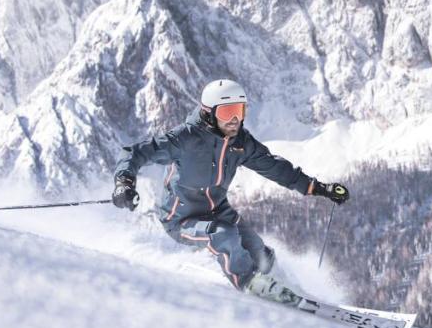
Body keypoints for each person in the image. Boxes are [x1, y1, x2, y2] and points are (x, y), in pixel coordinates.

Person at [111, 78, 349, 296]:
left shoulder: (240, 142)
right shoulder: (185, 139)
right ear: (208, 113)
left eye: (239, 111)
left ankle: (286, 289)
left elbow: (275, 167)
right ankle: (250, 285)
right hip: (181, 218)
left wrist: (317, 187)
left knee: (257, 249)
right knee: (223, 236)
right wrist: (124, 182)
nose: (235, 120)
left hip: (218, 210)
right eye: (228, 112)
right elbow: (136, 152)